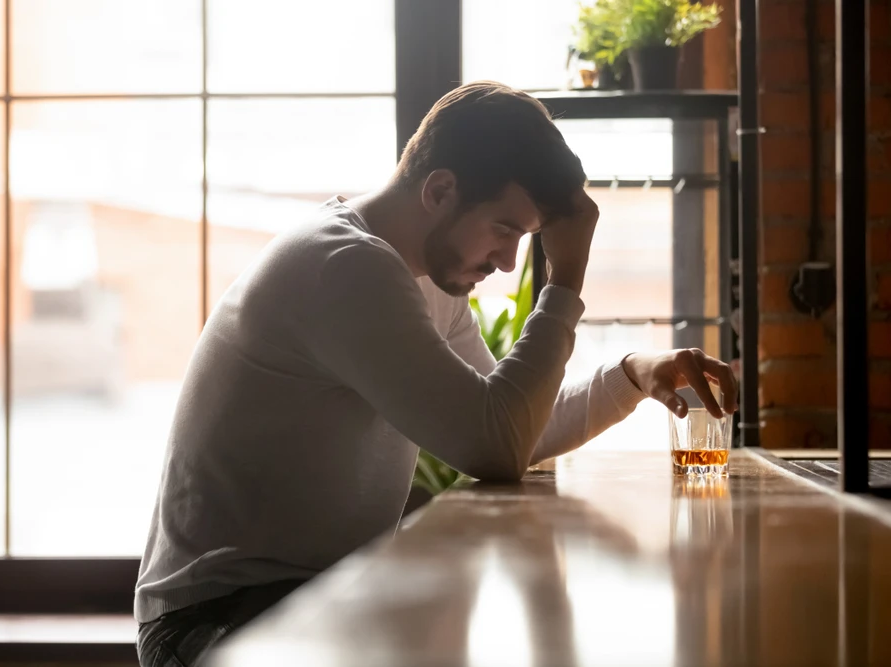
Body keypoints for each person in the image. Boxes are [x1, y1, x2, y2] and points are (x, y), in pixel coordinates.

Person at [134, 81, 738, 666]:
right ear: (440, 190)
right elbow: (494, 445)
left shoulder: (424, 278)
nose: (506, 262)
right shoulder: (344, 265)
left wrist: (631, 375)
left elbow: (518, 428)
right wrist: (565, 278)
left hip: (324, 591)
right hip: (220, 619)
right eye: (505, 229)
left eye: (524, 239)